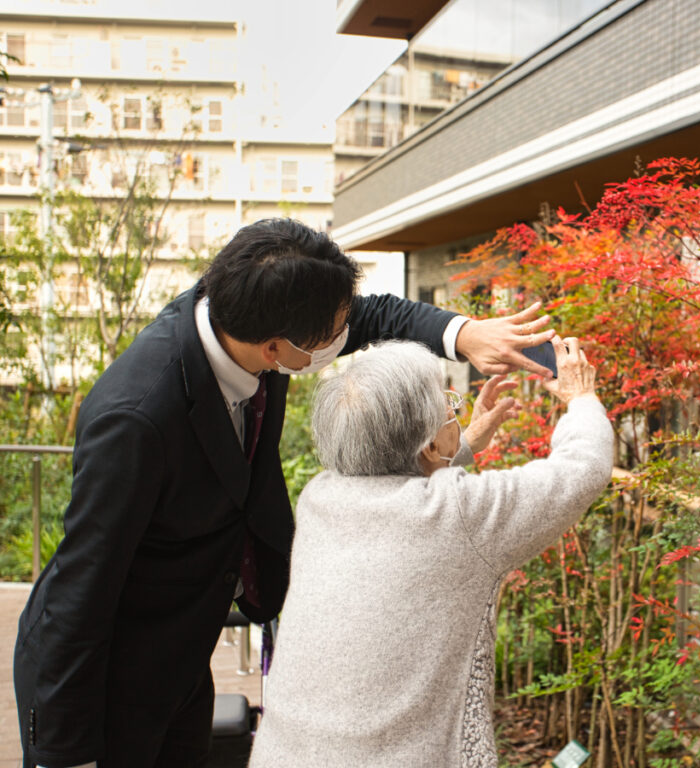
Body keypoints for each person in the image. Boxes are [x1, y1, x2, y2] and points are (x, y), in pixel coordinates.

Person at [13, 218, 558, 768]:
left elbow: (367, 316)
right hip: (110, 675)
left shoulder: (246, 318)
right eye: (332, 332)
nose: (347, 335)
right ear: (278, 348)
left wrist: (465, 334)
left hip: (185, 646)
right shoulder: (136, 418)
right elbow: (82, 591)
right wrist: (66, 754)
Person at [247, 336, 613, 768]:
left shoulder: (319, 499)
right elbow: (582, 470)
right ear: (430, 446)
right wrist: (582, 396)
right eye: (449, 407)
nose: (455, 411)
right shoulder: (460, 515)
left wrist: (464, 441)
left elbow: (402, 490)